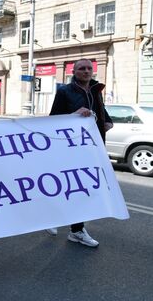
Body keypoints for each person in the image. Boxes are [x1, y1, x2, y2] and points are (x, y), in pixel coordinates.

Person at [47, 58, 113, 247]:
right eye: (81, 68)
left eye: (89, 68)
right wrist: (74, 114)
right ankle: (52, 217)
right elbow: (53, 119)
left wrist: (107, 120)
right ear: (74, 71)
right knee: (66, 186)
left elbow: (100, 109)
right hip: (70, 148)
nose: (86, 71)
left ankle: (76, 230)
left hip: (92, 147)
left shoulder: (96, 89)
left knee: (83, 189)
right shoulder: (64, 91)